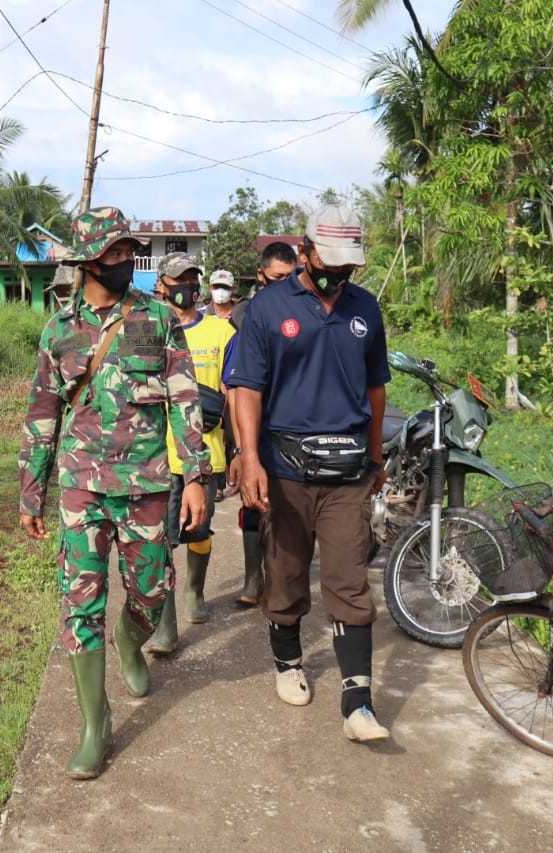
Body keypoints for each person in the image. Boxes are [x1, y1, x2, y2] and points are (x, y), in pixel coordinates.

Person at [18, 207, 211, 779]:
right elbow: (42, 413)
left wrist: (196, 475)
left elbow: (184, 398)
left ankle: (132, 643)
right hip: (81, 489)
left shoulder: (156, 317)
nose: (127, 260)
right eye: (115, 253)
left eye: (130, 251)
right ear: (88, 262)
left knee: (152, 591)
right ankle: (93, 725)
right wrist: (32, 492)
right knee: (83, 604)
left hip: (146, 484)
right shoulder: (59, 329)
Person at [228, 204, 393, 744]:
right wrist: (249, 457)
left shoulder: (365, 308)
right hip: (285, 468)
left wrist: (376, 457)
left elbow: (376, 389)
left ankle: (358, 702)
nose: (340, 273)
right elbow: (246, 387)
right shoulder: (268, 309)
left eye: (350, 264)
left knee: (349, 578)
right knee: (287, 573)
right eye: (331, 260)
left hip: (347, 471)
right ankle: (288, 663)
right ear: (305, 251)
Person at [145, 253, 236, 654]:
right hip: (157, 458)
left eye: (192, 279)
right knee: (160, 539)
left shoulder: (222, 331)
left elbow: (236, 395)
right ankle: (166, 627)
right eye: (178, 279)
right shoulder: (146, 331)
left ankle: (195, 591)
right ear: (161, 285)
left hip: (207, 454)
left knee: (199, 530)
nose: (188, 287)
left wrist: (238, 450)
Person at [222, 241, 298, 606]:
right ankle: (255, 580)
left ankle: (282, 579)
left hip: (295, 434)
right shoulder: (247, 324)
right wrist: (241, 449)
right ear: (261, 276)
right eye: (278, 277)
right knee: (255, 506)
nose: (286, 284)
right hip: (257, 434)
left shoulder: (307, 316)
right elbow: (235, 391)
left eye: (292, 276)